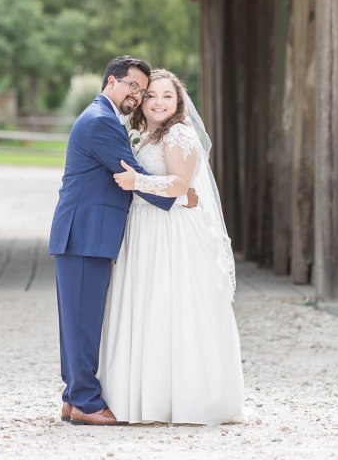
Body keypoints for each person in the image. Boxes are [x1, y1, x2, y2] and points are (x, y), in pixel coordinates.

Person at [48, 55, 198, 427]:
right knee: (82, 322)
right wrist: (179, 193)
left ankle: (73, 398)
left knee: (77, 320)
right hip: (85, 234)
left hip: (83, 232)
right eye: (133, 86)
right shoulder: (101, 122)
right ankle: (84, 401)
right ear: (111, 82)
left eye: (142, 91)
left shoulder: (102, 117)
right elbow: (131, 174)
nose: (137, 95)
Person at [98, 68, 244, 425]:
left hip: (171, 233)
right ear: (141, 102)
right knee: (145, 308)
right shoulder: (144, 137)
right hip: (145, 228)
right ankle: (143, 396)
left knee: (171, 307)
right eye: (151, 95)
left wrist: (138, 181)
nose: (158, 102)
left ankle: (183, 399)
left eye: (167, 96)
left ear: (179, 102)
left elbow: (180, 186)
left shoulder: (179, 134)